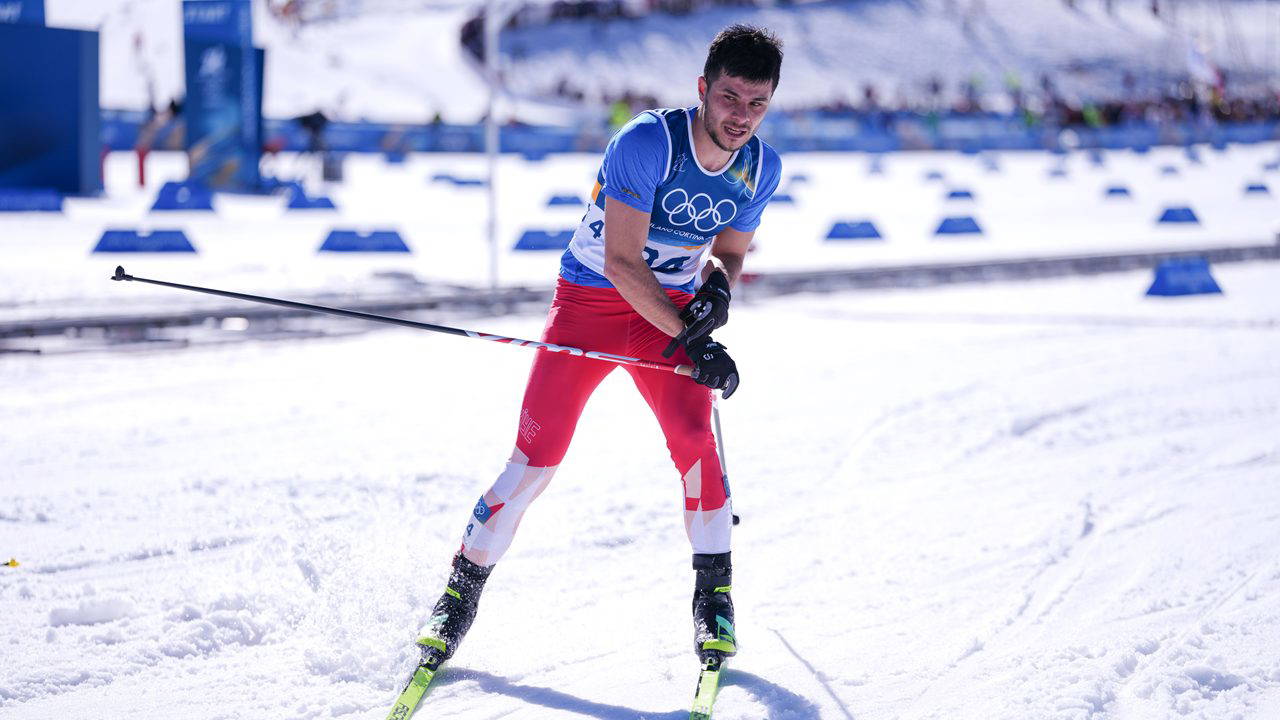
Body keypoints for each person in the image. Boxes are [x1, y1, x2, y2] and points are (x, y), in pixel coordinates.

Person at [414, 24, 784, 675]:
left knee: (696, 440)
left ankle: (714, 599)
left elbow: (727, 253)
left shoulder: (761, 168)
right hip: (592, 303)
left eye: (757, 104)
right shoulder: (648, 143)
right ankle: (458, 596)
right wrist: (691, 339)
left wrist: (718, 294)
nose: (741, 117)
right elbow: (618, 262)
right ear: (703, 89)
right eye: (730, 98)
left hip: (662, 313)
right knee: (536, 458)